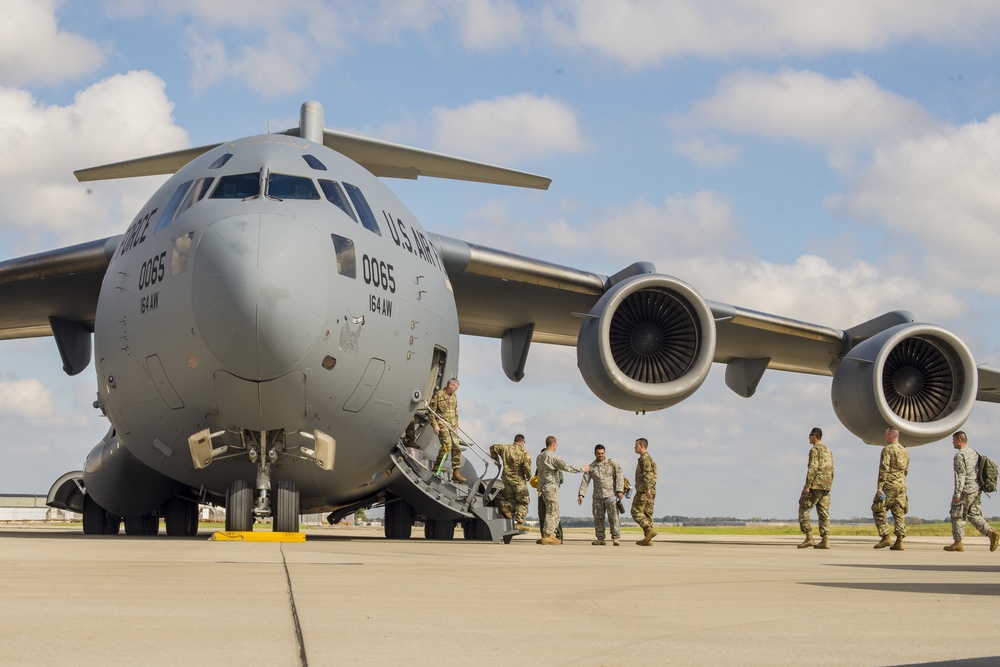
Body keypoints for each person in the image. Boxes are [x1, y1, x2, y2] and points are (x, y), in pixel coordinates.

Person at [944, 431, 1000, 552]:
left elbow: (960, 475)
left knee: (957, 515)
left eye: (953, 440)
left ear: (960, 440)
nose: (952, 442)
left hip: (965, 489)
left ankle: (958, 542)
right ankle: (991, 533)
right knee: (974, 515)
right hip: (976, 489)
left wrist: (957, 493)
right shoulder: (974, 453)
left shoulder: (960, 455)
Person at [535, 436, 590, 545]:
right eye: (556, 444)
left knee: (549, 511)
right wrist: (583, 468)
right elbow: (566, 467)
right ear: (553, 444)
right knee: (553, 511)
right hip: (551, 487)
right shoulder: (552, 457)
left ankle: (550, 535)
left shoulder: (540, 456)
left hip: (542, 488)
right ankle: (547, 535)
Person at [578, 444, 625, 546]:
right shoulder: (591, 467)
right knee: (598, 518)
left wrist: (620, 490)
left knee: (613, 517)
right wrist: (581, 495)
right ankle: (600, 538)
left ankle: (616, 538)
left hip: (611, 496)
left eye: (602, 453)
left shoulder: (612, 463)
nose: (600, 455)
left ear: (605, 453)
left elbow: (620, 475)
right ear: (595, 453)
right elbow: (585, 481)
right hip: (597, 497)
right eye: (598, 453)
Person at [872, 427, 909, 550]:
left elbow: (884, 469)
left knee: (877, 509)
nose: (885, 437)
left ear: (891, 436)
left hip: (889, 486)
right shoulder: (905, 451)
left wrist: (880, 487)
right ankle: (900, 540)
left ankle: (886, 536)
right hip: (901, 486)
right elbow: (906, 470)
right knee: (899, 513)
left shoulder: (887, 450)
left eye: (886, 435)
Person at [797, 427, 834, 550]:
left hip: (816, 484)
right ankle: (825, 540)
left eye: (810, 435)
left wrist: (807, 485)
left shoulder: (814, 450)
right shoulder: (828, 451)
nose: (808, 437)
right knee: (823, 512)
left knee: (803, 508)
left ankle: (809, 537)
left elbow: (812, 468)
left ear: (815, 436)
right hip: (826, 485)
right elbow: (831, 469)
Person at [489, 434, 533, 532]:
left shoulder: (505, 448)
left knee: (511, 499)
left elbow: (492, 447)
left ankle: (506, 508)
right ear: (522, 442)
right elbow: (527, 466)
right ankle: (519, 523)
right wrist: (529, 476)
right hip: (519, 481)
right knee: (524, 501)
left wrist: (496, 459)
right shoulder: (524, 451)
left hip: (506, 480)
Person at [428, 378, 464, 483]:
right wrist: (435, 425)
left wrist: (456, 422)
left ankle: (456, 472)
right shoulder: (438, 395)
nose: (456, 390)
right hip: (442, 423)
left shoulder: (454, 396)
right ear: (450, 385)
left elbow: (455, 410)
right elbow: (431, 412)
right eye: (455, 388)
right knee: (447, 446)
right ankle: (437, 465)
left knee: (456, 447)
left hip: (452, 425)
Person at [632, 438, 658, 546]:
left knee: (635, 511)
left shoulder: (645, 459)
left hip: (644, 490)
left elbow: (648, 475)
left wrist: (647, 489)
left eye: (636, 445)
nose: (634, 447)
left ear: (642, 446)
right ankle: (648, 539)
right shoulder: (647, 458)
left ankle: (648, 530)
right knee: (647, 514)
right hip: (649, 490)